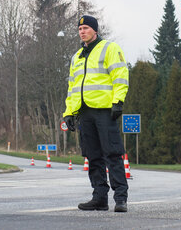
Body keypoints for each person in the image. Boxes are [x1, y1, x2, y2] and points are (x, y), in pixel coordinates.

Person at [62, 15, 129, 213]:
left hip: (105, 111)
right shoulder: (76, 57)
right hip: (85, 113)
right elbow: (72, 88)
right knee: (92, 156)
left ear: (95, 30)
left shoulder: (109, 48)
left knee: (113, 154)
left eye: (86, 28)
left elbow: (120, 76)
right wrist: (69, 113)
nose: (82, 31)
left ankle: (121, 198)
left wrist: (118, 101)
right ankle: (99, 197)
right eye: (80, 28)